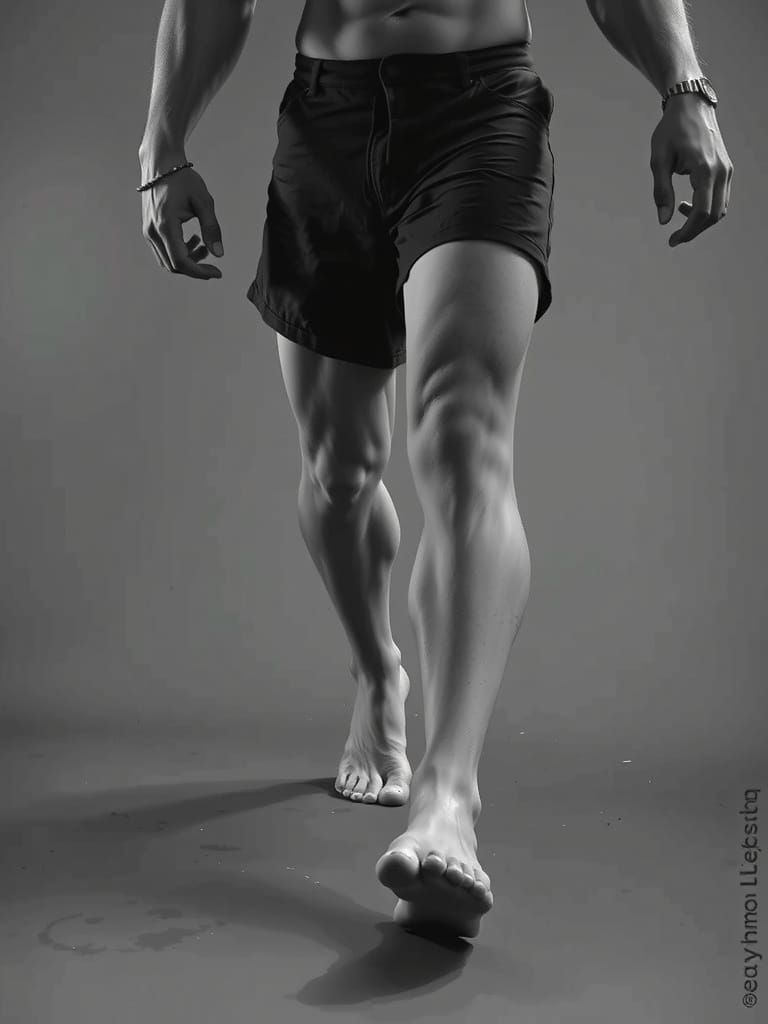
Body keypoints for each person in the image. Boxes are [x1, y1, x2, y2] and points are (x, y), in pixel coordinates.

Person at [138, 0, 733, 939]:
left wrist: (685, 87)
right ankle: (380, 673)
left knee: (463, 436)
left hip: (481, 109)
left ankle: (450, 798)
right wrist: (163, 144)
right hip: (328, 116)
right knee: (340, 469)